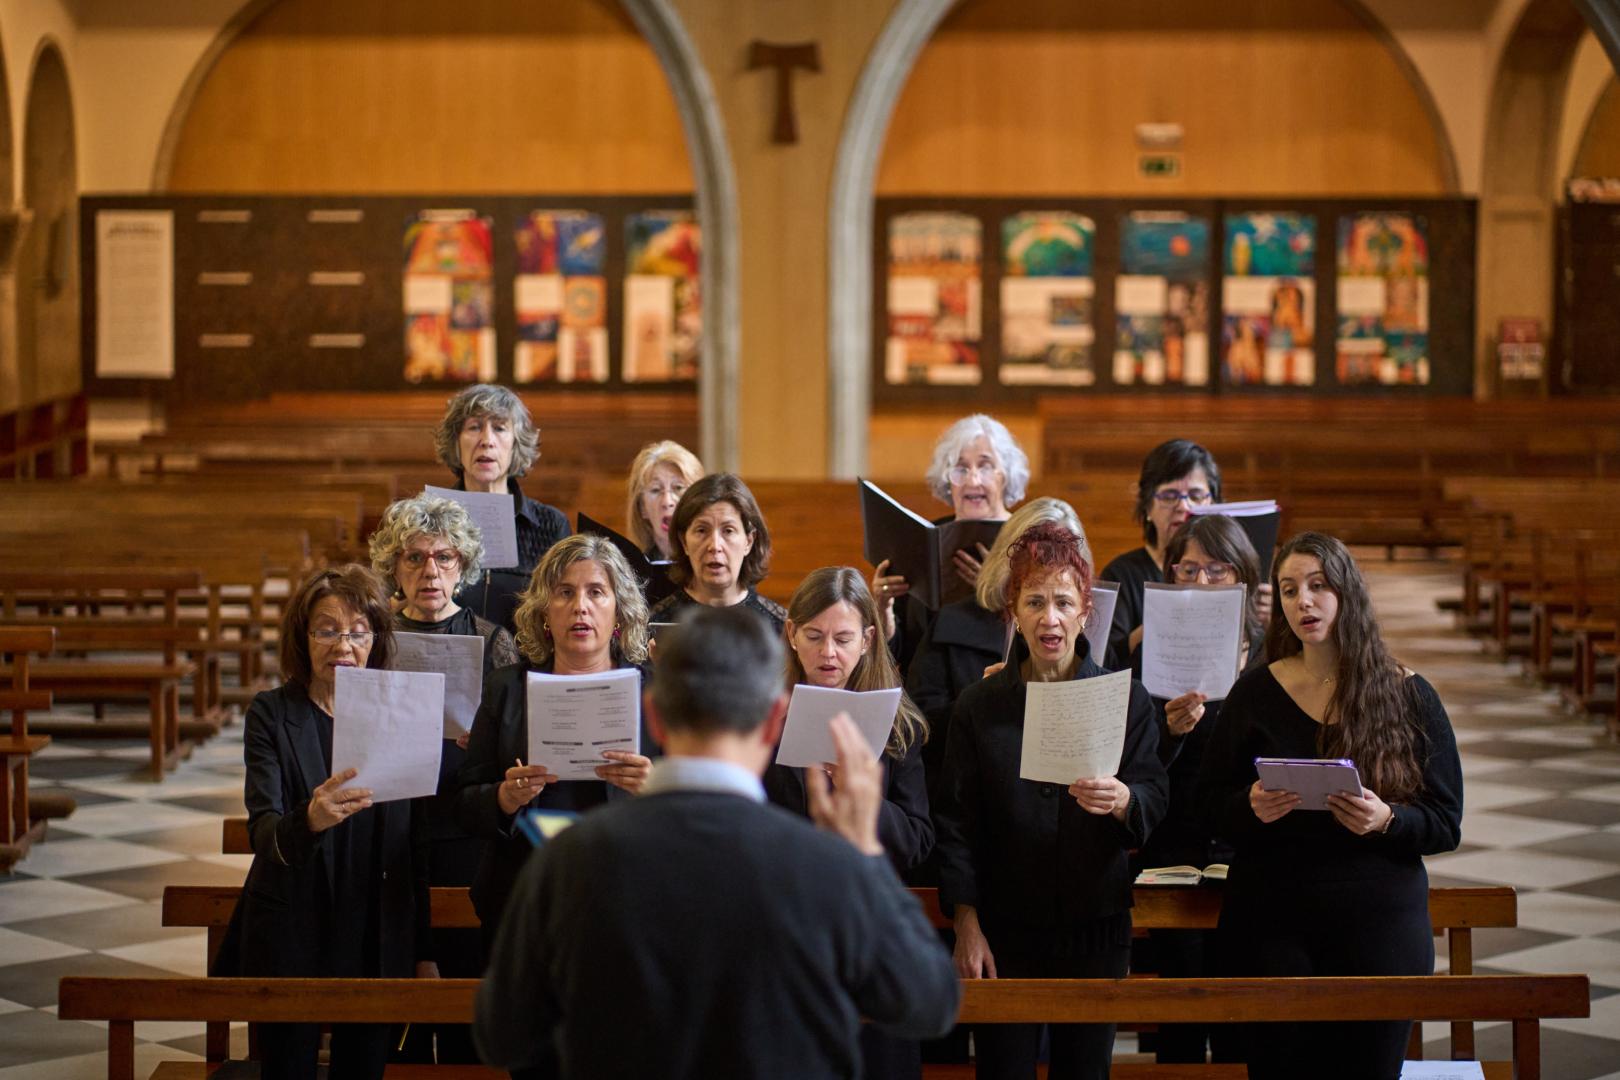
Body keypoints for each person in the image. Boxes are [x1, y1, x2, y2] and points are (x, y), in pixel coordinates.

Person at [475, 605, 961, 1078]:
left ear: (655, 717)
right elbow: (928, 1004)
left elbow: (504, 1038)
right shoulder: (826, 866)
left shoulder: (568, 860)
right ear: (776, 721)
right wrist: (867, 859)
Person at [1198, 532, 1463, 1079]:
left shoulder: (1407, 694)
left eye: (1318, 587)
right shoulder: (1254, 692)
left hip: (1378, 924)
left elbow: (1444, 821)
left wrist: (1386, 819)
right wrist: (1249, 806)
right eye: (1290, 590)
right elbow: (1206, 805)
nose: (1304, 603)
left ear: (1347, 594)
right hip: (1272, 921)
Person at [935, 524, 1167, 1080]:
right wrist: (966, 925)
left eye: (1063, 602)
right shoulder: (979, 705)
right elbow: (956, 824)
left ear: (1086, 610)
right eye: (1034, 601)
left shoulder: (1124, 697)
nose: (1050, 618)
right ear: (1012, 611)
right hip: (1004, 928)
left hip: (1095, 927)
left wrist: (1123, 800)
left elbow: (1155, 793)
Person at [212, 565, 432, 1080]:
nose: (343, 645)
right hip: (294, 927)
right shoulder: (272, 713)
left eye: (358, 632)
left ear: (375, 641)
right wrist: (308, 820)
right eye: (327, 630)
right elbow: (263, 830)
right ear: (302, 637)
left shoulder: (400, 714)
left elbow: (412, 848)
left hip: (375, 931)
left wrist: (422, 950)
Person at [368, 494, 519, 1065]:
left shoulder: (493, 639)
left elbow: (512, 743)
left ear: (463, 565)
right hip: (392, 818)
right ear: (394, 566)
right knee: (395, 1007)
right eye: (413, 558)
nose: (429, 572)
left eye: (444, 558)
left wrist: (481, 741)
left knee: (462, 982)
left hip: (461, 822)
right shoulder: (375, 637)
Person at [453, 534, 655, 955]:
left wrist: (653, 789)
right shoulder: (507, 688)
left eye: (596, 592)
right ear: (545, 610)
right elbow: (465, 804)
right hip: (525, 898)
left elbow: (697, 804)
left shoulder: (656, 693)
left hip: (627, 897)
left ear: (619, 610)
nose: (580, 606)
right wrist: (505, 797)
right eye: (565, 592)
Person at [1129, 513, 1266, 1066]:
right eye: (1187, 570)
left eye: (1216, 570)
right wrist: (1168, 733)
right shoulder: (1148, 656)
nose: (1201, 583)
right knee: (1181, 1020)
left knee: (1240, 1021)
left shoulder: (1270, 661)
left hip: (1249, 859)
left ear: (1242, 580)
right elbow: (1133, 768)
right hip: (1174, 855)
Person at [905, 497, 1091, 796]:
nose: (1047, 566)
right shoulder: (952, 623)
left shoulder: (1084, 636)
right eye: (1037, 554)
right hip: (972, 795)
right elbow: (916, 728)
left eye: (1061, 554)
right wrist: (980, 702)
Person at [872, 414, 1030, 675]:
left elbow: (1049, 630)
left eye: (986, 466)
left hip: (996, 687)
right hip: (923, 694)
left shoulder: (1029, 539)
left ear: (1006, 475)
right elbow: (895, 650)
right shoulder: (921, 539)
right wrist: (882, 607)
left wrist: (998, 595)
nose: (973, 480)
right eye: (961, 468)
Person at [433, 384, 571, 628]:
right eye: (474, 427)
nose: (487, 440)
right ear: (456, 442)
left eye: (499, 428)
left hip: (524, 657)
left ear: (515, 444)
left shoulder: (551, 525)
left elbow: (563, 607)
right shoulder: (428, 519)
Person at [1101, 439, 1222, 669]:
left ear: (1214, 503)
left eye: (1196, 496)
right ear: (1147, 506)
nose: (1184, 507)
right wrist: (1165, 620)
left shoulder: (1229, 571)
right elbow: (1106, 660)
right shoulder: (1121, 574)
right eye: (1169, 496)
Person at [647, 472, 787, 634]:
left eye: (728, 531)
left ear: (749, 541)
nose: (714, 545)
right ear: (684, 541)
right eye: (701, 530)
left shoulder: (778, 627)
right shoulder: (654, 625)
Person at [624, 439, 704, 561]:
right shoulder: (632, 572)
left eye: (678, 488)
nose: (667, 502)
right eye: (655, 490)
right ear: (642, 507)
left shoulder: (712, 566)